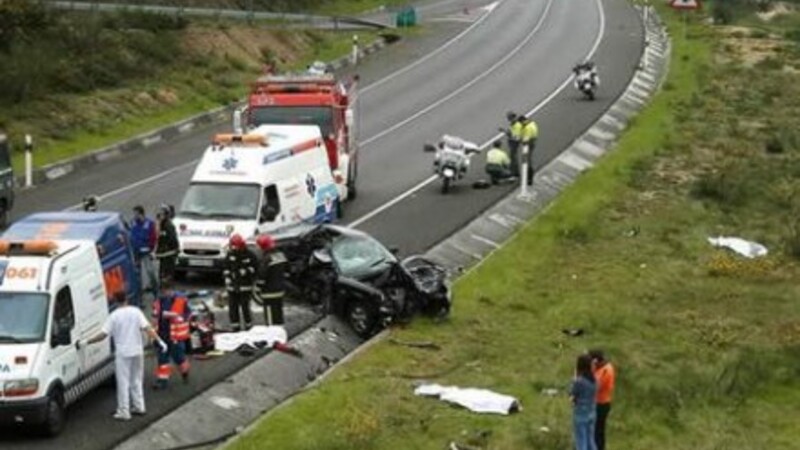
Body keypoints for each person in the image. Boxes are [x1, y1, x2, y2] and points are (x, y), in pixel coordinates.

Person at [82, 292, 167, 421]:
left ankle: (124, 411)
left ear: (115, 301)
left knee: (123, 382)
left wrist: (87, 341)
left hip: (123, 353)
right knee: (136, 379)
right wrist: (160, 341)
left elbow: (103, 335)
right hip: (137, 350)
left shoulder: (114, 316)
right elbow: (148, 328)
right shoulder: (136, 311)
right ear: (126, 299)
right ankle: (139, 406)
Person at [152, 280, 191, 390]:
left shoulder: (180, 299)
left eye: (166, 291)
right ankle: (162, 381)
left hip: (176, 336)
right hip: (162, 334)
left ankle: (185, 373)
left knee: (179, 358)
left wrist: (179, 317)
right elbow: (155, 315)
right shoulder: (159, 301)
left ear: (171, 290)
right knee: (162, 359)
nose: (164, 294)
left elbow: (188, 314)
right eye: (163, 292)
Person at [223, 234, 258, 331]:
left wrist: (246, 271)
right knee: (233, 308)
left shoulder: (249, 255)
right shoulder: (230, 254)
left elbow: (255, 268)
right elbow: (226, 267)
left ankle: (248, 326)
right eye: (233, 246)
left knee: (245, 307)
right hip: (232, 287)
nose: (234, 248)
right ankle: (235, 327)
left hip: (245, 286)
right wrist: (227, 277)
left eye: (235, 246)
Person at [254, 234, 287, 326]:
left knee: (270, 318)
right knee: (278, 314)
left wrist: (257, 289)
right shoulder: (280, 255)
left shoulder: (266, 259)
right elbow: (287, 270)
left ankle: (272, 333)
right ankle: (280, 330)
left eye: (258, 246)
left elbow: (262, 276)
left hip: (269, 293)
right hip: (280, 290)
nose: (257, 248)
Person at [570, 353, 598, 450]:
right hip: (592, 411)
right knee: (590, 440)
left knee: (581, 441)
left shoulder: (579, 381)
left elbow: (572, 392)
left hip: (580, 414)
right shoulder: (594, 380)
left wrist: (574, 378)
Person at [130, 205, 158, 298]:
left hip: (146, 251)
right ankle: (139, 295)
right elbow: (130, 234)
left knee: (150, 271)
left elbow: (153, 237)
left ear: (141, 214)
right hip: (136, 251)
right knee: (137, 274)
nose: (134, 215)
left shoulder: (149, 224)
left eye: (136, 214)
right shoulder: (133, 222)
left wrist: (151, 248)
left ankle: (155, 292)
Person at [590, 349, 615, 450]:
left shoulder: (606, 370)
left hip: (601, 403)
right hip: (597, 402)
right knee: (594, 430)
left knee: (598, 431)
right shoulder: (601, 368)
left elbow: (596, 386)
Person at [155, 204, 179, 284]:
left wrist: (174, 249)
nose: (160, 216)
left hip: (168, 253)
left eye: (162, 214)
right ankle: (163, 282)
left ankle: (166, 283)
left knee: (167, 273)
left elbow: (172, 239)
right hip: (163, 253)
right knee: (162, 272)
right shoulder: (161, 225)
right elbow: (158, 237)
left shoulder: (168, 225)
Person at [520, 116, 538, 186]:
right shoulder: (532, 123)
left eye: (521, 123)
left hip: (529, 144)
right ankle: (529, 177)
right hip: (533, 141)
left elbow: (526, 140)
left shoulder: (527, 128)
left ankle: (529, 178)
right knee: (528, 160)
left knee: (528, 160)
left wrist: (521, 140)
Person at [504, 111, 523, 177]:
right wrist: (505, 131)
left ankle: (516, 172)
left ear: (513, 117)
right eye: (508, 118)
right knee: (512, 157)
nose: (509, 120)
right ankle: (513, 170)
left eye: (510, 118)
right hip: (512, 142)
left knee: (514, 157)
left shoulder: (517, 125)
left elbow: (516, 137)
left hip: (514, 143)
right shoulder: (512, 124)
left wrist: (510, 136)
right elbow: (510, 132)